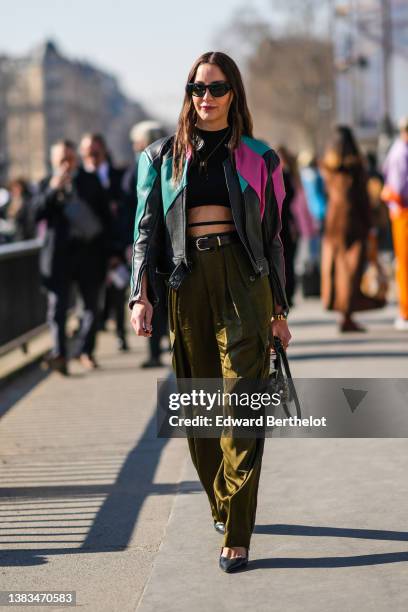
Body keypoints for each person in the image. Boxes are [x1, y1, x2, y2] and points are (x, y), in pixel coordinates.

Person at [129, 51, 291, 572]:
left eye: (218, 88)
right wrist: (140, 295)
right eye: (197, 88)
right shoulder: (159, 158)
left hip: (246, 283)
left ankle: (237, 533)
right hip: (186, 283)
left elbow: (275, 238)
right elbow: (144, 230)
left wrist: (280, 309)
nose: (206, 97)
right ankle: (225, 498)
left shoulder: (260, 158)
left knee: (241, 404)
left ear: (234, 95)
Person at [33, 139, 112, 374]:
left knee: (91, 308)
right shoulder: (46, 183)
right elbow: (34, 214)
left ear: (76, 159)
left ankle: (85, 351)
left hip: (89, 255)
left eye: (69, 159)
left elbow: (106, 217)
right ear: (53, 162)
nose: (66, 164)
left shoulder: (90, 181)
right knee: (56, 310)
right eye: (61, 160)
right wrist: (53, 190)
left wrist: (112, 252)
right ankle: (60, 354)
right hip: (58, 258)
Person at [320, 126, 385, 332]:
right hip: (354, 222)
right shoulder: (357, 168)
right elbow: (363, 200)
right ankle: (347, 315)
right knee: (351, 270)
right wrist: (370, 225)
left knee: (336, 268)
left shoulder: (328, 168)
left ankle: (342, 312)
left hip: (333, 223)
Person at [124, 121, 169, 366]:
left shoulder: (140, 167)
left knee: (151, 297)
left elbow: (130, 210)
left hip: (149, 244)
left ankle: (155, 352)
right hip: (168, 245)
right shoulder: (174, 163)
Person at [80, 133, 130, 351]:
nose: (92, 155)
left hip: (114, 243)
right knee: (90, 298)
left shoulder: (117, 176)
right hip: (89, 248)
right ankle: (88, 345)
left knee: (118, 291)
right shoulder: (78, 178)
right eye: (88, 151)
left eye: (96, 151)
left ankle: (121, 333)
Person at [381, 116, 408, 330]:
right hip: (403, 214)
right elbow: (396, 191)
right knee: (404, 265)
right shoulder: (401, 153)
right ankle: (405, 311)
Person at [277, 146, 301, 307]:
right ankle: (288, 292)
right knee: (288, 260)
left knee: (283, 259)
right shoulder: (289, 176)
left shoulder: (281, 175)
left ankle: (285, 292)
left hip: (281, 222)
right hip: (286, 221)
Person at [0, 178, 36, 243]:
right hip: (10, 236)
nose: (15, 190)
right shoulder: (10, 201)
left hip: (23, 237)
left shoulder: (27, 202)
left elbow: (29, 221)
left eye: (17, 188)